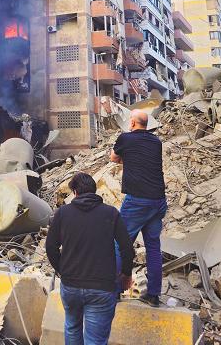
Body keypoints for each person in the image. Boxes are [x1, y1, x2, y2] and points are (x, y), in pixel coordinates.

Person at [46, 172, 134, 345]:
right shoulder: (110, 213)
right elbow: (126, 248)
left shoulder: (63, 213)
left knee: (72, 327)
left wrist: (63, 271)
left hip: (71, 285)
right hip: (101, 288)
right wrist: (126, 274)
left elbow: (50, 247)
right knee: (95, 340)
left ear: (76, 193)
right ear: (94, 192)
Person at [110, 109, 167, 307]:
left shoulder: (125, 139)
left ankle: (114, 291)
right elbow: (144, 159)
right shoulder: (156, 142)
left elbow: (113, 158)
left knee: (120, 243)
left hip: (137, 202)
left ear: (133, 123)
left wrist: (127, 159)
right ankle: (153, 294)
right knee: (153, 247)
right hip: (158, 201)